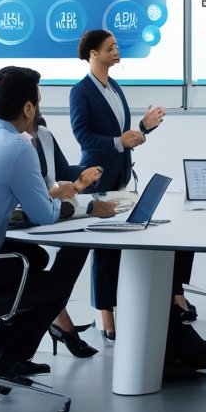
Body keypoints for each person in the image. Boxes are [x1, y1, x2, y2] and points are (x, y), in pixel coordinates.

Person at [0, 67, 100, 379]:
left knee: (37, 257)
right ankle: (8, 354)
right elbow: (44, 215)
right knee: (58, 284)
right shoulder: (18, 147)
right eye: (37, 103)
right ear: (28, 108)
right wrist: (83, 204)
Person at [69, 29, 171, 340]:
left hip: (122, 174)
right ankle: (105, 316)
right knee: (102, 248)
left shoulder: (114, 87)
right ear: (92, 54)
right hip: (96, 175)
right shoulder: (81, 91)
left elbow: (125, 138)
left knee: (116, 245)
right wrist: (117, 141)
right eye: (110, 48)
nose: (117, 51)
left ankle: (114, 308)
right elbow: (82, 135)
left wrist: (144, 127)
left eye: (117, 46)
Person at [32, 115, 117, 359]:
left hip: (49, 206)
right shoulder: (15, 145)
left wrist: (86, 173)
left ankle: (57, 315)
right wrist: (78, 192)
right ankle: (56, 317)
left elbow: (62, 170)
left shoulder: (44, 133)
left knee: (79, 243)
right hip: (33, 212)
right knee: (45, 255)